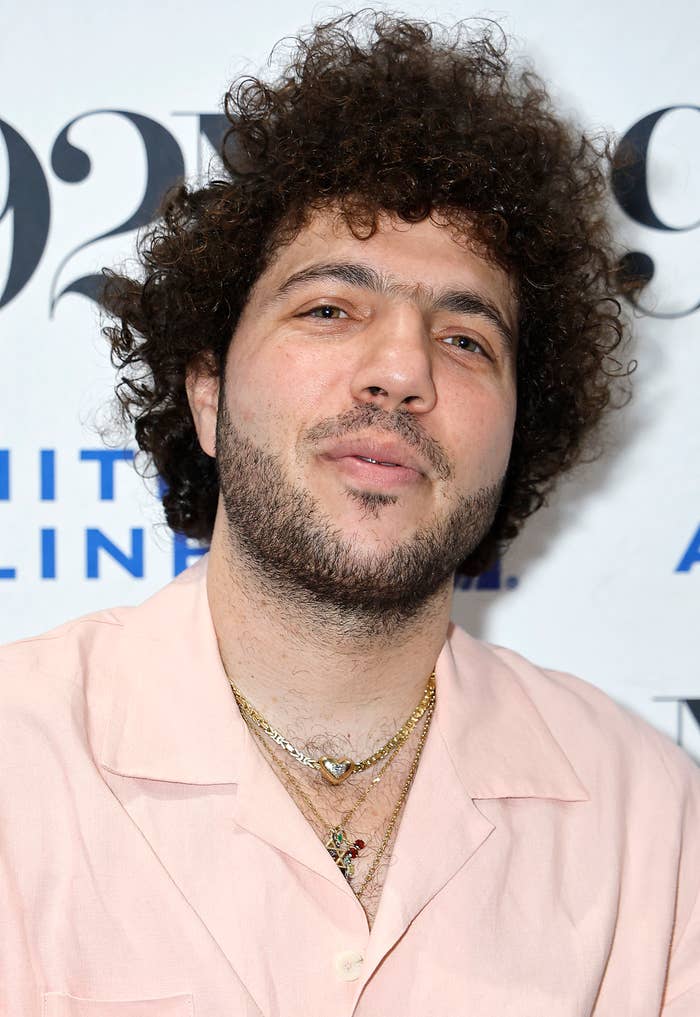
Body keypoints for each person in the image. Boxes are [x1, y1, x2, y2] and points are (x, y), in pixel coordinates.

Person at [1, 12, 698, 1017]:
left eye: (466, 340)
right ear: (206, 389)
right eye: (329, 309)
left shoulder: (647, 820)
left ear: (519, 434)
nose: (402, 372)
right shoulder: (18, 762)